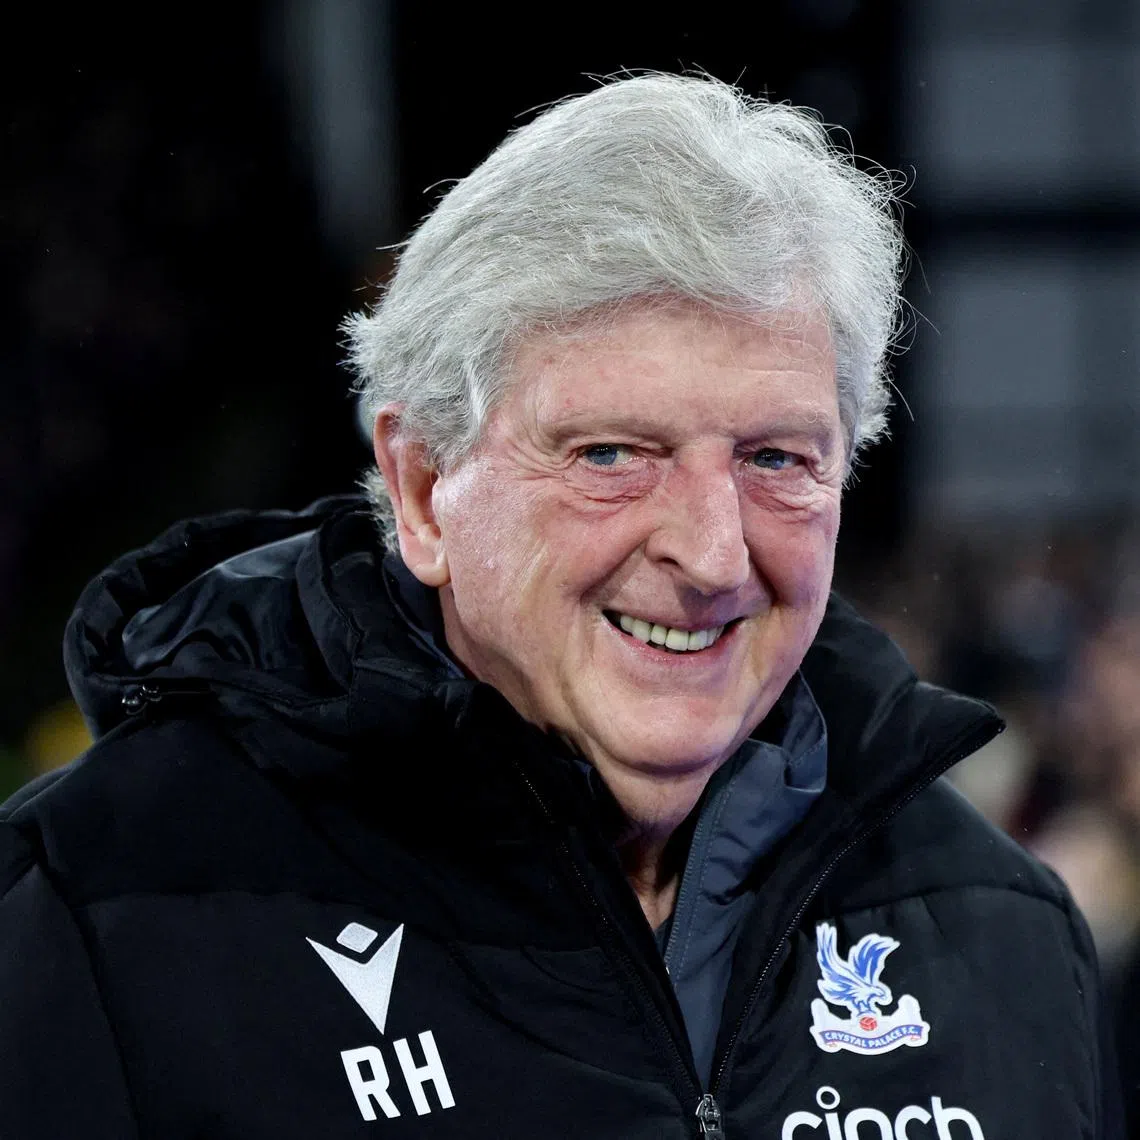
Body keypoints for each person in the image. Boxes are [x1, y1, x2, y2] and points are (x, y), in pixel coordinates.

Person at [0, 73, 1122, 1138]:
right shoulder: (101, 918)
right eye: (610, 455)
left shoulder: (1001, 931)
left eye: (777, 458)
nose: (713, 551)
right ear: (424, 490)